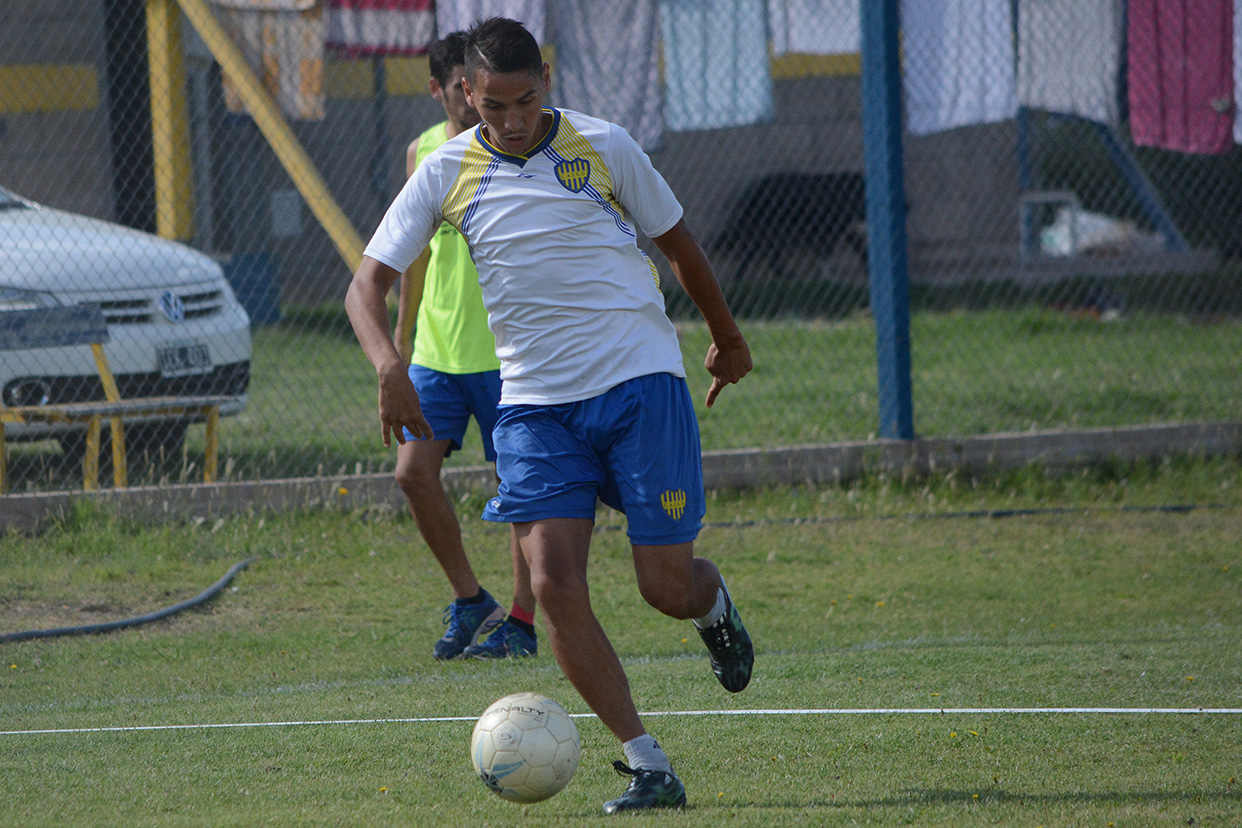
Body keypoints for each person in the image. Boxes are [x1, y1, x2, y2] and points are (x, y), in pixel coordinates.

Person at [345, 17, 754, 813]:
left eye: (525, 100)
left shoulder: (605, 146)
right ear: (467, 95)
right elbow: (365, 286)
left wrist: (728, 339)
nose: (512, 119)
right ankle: (648, 764)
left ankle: (714, 607)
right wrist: (390, 367)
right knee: (552, 582)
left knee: (663, 586)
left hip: (640, 385)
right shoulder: (445, 169)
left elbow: (679, 245)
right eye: (493, 105)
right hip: (535, 407)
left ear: (549, 82)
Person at [391, 31, 536, 661]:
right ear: (447, 91)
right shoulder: (423, 154)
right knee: (412, 473)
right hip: (438, 354)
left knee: (520, 486)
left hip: (505, 356)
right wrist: (399, 345)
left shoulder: (518, 149)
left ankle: (523, 621)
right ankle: (471, 597)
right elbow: (410, 255)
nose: (471, 102)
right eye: (461, 90)